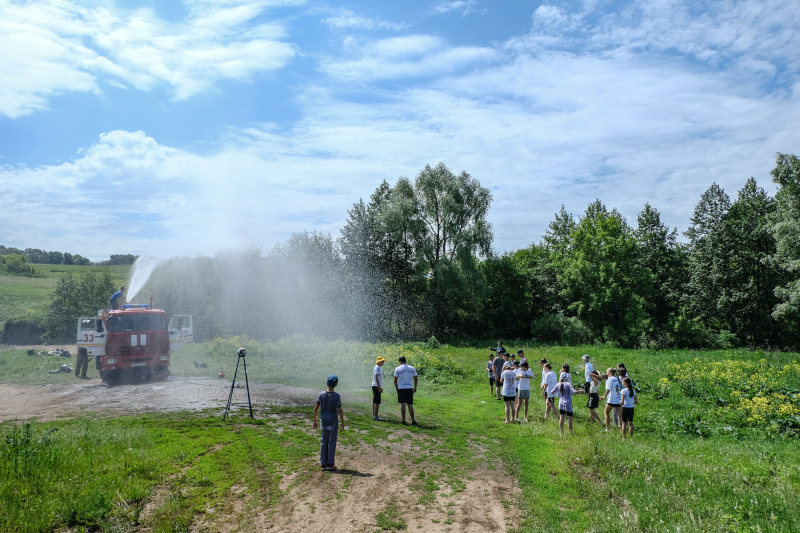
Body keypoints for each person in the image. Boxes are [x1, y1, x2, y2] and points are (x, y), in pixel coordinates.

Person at [313, 375, 345, 471]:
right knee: (332, 443)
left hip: (324, 422)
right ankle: (330, 464)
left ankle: (323, 463)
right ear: (336, 385)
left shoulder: (321, 394)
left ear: (327, 383)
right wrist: (342, 422)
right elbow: (339, 410)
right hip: (333, 423)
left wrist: (314, 420)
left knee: (323, 442)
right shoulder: (336, 396)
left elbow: (316, 408)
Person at [394, 355, 418, 425]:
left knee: (403, 405)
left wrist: (397, 388)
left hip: (401, 388)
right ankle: (413, 420)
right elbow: (415, 378)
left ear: (400, 361)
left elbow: (395, 380)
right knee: (410, 405)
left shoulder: (398, 369)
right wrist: (415, 387)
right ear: (405, 360)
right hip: (409, 388)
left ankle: (404, 420)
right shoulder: (412, 368)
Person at [372, 356, 386, 421]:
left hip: (375, 385)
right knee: (377, 402)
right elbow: (376, 377)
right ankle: (376, 416)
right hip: (376, 386)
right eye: (382, 361)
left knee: (375, 401)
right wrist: (379, 387)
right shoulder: (377, 367)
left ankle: (374, 415)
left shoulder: (378, 367)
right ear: (379, 361)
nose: (383, 362)